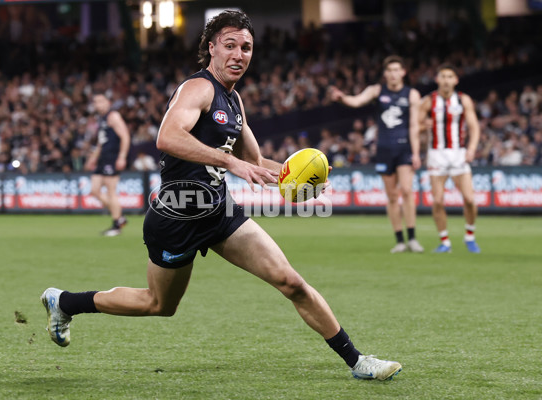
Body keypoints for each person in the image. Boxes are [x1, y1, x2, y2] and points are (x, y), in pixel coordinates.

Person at [41, 10, 402, 381]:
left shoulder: (235, 100)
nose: (239, 54)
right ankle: (65, 301)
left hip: (218, 211)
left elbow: (255, 161)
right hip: (176, 216)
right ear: (211, 48)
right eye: (230, 45)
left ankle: (358, 362)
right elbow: (167, 138)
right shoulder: (198, 88)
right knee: (159, 304)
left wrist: (300, 180)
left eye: (246, 47)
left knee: (290, 281)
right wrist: (229, 163)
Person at [330, 56, 424, 254]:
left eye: (397, 70)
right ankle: (400, 240)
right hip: (384, 149)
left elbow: (415, 125)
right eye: (389, 70)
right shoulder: (377, 90)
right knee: (391, 196)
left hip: (405, 148)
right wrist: (342, 98)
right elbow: (356, 101)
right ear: (385, 73)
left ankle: (413, 238)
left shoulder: (412, 94)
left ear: (403, 72)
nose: (393, 74)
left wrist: (416, 153)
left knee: (406, 191)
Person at [419, 64, 481, 253]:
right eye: (443, 76)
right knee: (438, 201)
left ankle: (469, 236)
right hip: (436, 155)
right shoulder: (429, 101)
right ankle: (445, 241)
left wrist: (471, 149)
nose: (446, 80)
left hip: (458, 153)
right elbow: (415, 125)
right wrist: (424, 125)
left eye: (450, 76)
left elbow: (474, 127)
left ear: (456, 80)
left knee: (469, 199)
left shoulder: (463, 100)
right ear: (437, 79)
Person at [84, 93, 131, 236]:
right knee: (94, 190)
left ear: (108, 102)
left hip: (112, 157)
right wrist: (93, 157)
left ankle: (116, 225)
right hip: (103, 158)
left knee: (111, 191)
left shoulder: (113, 116)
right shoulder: (102, 118)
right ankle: (120, 216)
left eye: (101, 101)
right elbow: (101, 141)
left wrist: (122, 157)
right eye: (95, 102)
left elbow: (125, 136)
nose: (98, 104)